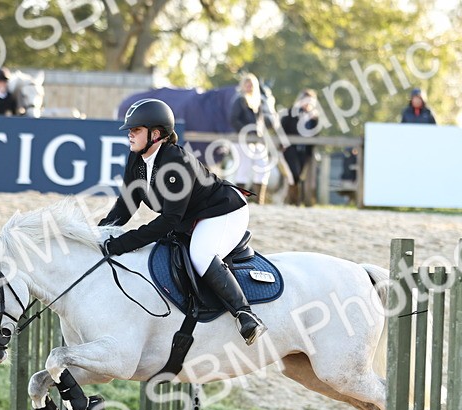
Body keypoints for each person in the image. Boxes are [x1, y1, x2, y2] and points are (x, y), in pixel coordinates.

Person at [99, 98, 266, 346]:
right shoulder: (136, 159)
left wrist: (122, 243)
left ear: (156, 134)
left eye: (136, 130)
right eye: (130, 131)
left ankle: (245, 314)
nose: (130, 136)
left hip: (223, 212)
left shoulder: (176, 163)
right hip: (191, 217)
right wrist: (100, 234)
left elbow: (168, 220)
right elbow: (126, 205)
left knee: (200, 254)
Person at [228, 73, 277, 204]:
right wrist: (246, 132)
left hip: (257, 140)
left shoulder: (258, 102)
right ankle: (240, 200)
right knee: (243, 169)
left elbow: (261, 121)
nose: (249, 87)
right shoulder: (239, 100)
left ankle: (258, 200)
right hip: (243, 139)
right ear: (243, 85)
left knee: (263, 167)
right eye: (247, 84)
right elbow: (234, 120)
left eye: (251, 84)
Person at [280, 89, 319, 206]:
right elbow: (282, 128)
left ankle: (295, 200)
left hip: (305, 151)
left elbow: (316, 135)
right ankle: (294, 200)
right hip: (291, 149)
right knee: (294, 173)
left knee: (300, 175)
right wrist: (283, 144)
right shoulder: (291, 112)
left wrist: (315, 120)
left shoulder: (314, 117)